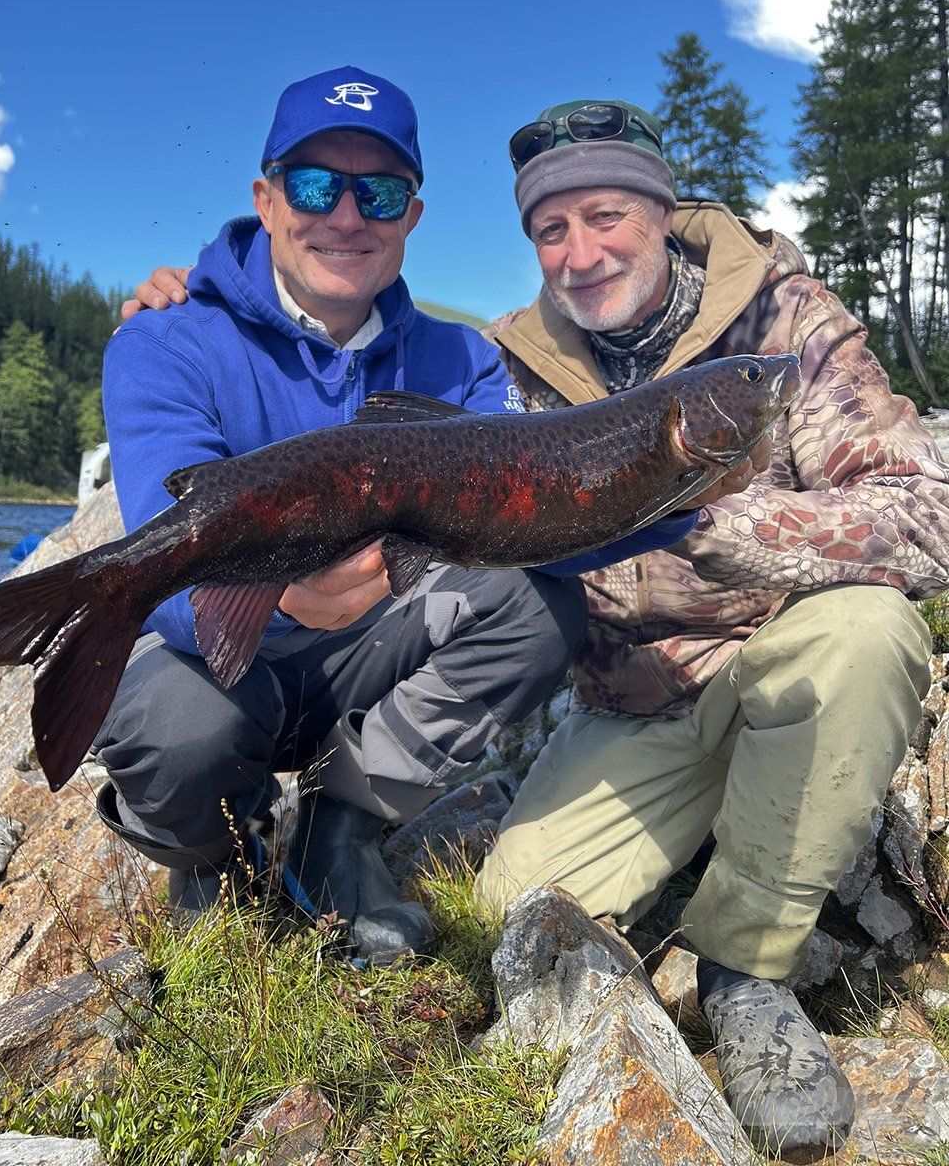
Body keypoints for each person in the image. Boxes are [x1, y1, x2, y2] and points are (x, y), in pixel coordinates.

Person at [132, 95, 949, 1155]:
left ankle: (749, 973)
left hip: (790, 667)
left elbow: (931, 516)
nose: (582, 251)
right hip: (634, 709)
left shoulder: (787, 332)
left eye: (606, 215)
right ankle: (712, 834)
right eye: (550, 230)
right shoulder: (504, 366)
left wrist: (719, 525)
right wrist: (178, 298)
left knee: (867, 635)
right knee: (513, 912)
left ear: (663, 211)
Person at [97, 69, 744, 972]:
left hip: (378, 651)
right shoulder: (165, 341)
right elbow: (165, 567)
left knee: (539, 611)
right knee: (168, 731)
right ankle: (216, 858)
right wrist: (281, 599)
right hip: (229, 658)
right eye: (318, 185)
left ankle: (343, 824)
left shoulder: (462, 360)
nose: (347, 216)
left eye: (381, 192)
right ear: (267, 198)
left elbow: (541, 526)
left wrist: (676, 500)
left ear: (412, 217)